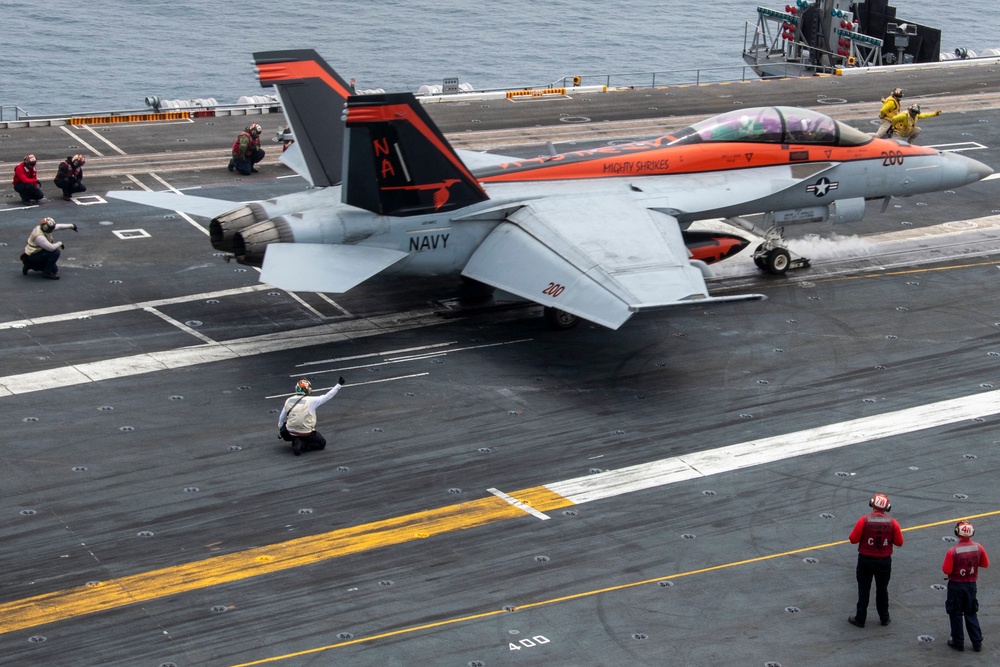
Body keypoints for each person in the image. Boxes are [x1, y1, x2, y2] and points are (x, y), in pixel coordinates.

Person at [847, 493, 904, 628]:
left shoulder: (864, 520)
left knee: (864, 589)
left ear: (872, 504)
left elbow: (853, 539)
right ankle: (884, 617)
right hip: (884, 561)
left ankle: (860, 618)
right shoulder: (893, 523)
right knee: (882, 589)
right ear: (887, 507)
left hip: (865, 559)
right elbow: (899, 542)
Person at [942, 520, 989, 652]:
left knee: (955, 613)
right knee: (971, 612)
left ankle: (958, 641)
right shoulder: (979, 548)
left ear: (957, 533)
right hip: (970, 585)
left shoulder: (952, 551)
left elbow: (946, 570)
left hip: (956, 585)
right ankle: (977, 641)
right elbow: (985, 564)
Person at [278, 377, 345, 455]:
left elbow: (281, 418)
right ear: (308, 389)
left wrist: (281, 429)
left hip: (290, 433)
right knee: (322, 443)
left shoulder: (288, 400)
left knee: (290, 429)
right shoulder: (311, 401)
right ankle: (303, 445)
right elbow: (327, 396)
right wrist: (339, 385)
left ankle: (296, 439)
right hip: (305, 432)